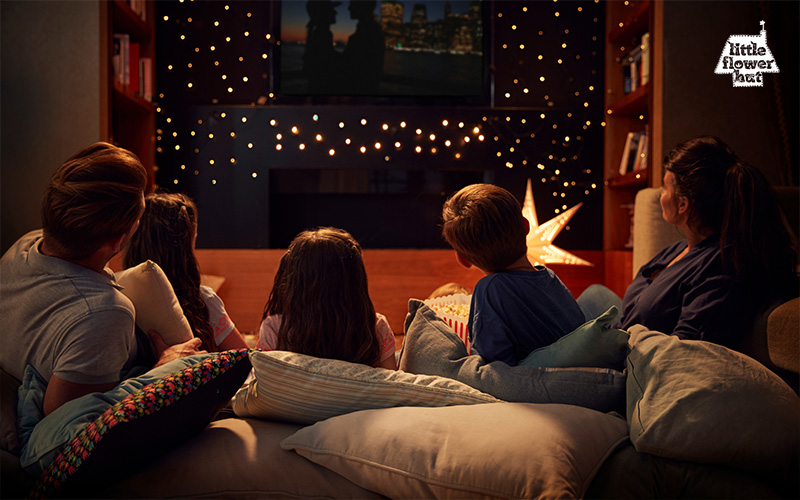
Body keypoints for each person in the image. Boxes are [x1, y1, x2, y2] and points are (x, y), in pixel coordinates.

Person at [0, 143, 205, 416]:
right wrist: (162, 372)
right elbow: (67, 426)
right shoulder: (104, 313)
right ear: (117, 240)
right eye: (139, 216)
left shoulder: (25, 245)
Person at [579, 136, 798, 349]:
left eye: (665, 187)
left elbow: (682, 349)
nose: (659, 197)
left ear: (683, 204)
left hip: (627, 360)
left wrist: (599, 349)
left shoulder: (721, 265)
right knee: (594, 293)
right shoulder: (680, 249)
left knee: (545, 285)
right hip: (620, 331)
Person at [441, 184, 585, 366]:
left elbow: (492, 367)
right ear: (526, 226)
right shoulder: (549, 277)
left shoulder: (489, 290)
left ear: (463, 259)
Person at [124, 191, 249, 352]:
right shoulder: (201, 302)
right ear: (184, 250)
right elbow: (248, 360)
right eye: (193, 239)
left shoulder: (121, 296)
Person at [257, 227, 397, 369]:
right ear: (355, 284)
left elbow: (264, 384)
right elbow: (391, 386)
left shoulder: (275, 328)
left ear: (294, 284)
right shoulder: (375, 327)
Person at [341, 0, 384, 95]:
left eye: (352, 5)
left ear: (362, 7)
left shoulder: (367, 33)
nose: (349, 8)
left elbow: (350, 64)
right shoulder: (372, 30)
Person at [303, 0, 343, 94]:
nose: (335, 12)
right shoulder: (324, 34)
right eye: (331, 9)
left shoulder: (318, 33)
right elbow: (326, 59)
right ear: (323, 13)